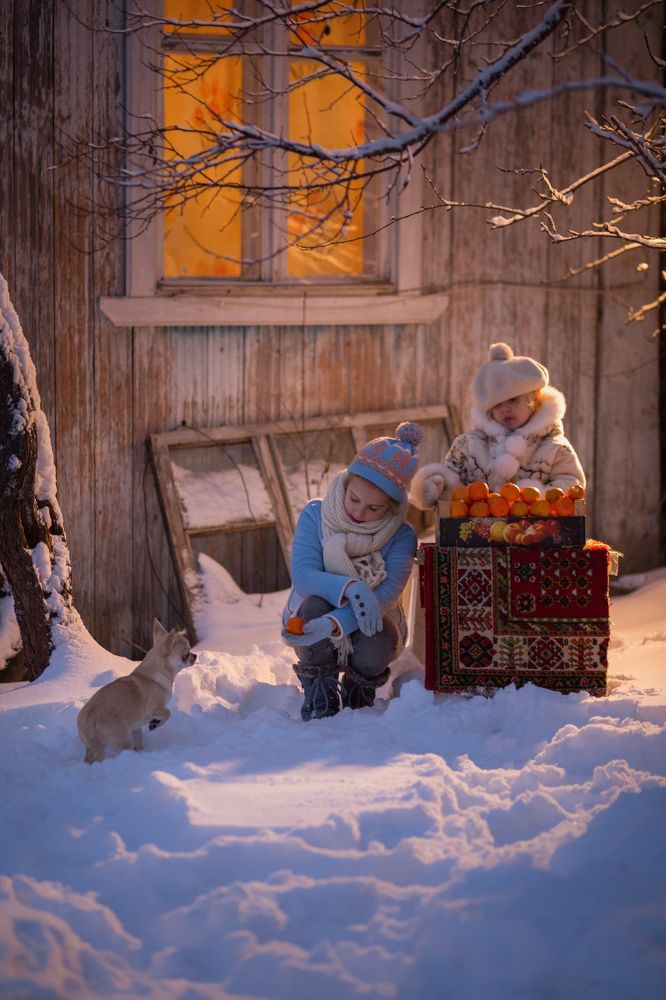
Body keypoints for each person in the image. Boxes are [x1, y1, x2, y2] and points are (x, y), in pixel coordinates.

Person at [282, 422, 423, 721]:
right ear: (345, 484)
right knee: (313, 609)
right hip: (314, 609)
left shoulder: (401, 536)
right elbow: (305, 577)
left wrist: (335, 622)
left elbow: (384, 596)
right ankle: (320, 694)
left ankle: (359, 695)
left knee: (377, 633)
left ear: (393, 507)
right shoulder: (315, 515)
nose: (359, 513)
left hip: (374, 620)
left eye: (374, 509)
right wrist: (351, 589)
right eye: (354, 499)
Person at [411, 342, 585, 508]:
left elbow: (571, 482)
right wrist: (438, 486)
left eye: (513, 400)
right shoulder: (468, 445)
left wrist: (535, 497)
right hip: (475, 532)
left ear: (535, 399)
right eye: (497, 405)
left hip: (535, 532)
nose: (505, 408)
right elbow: (454, 483)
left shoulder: (554, 448)